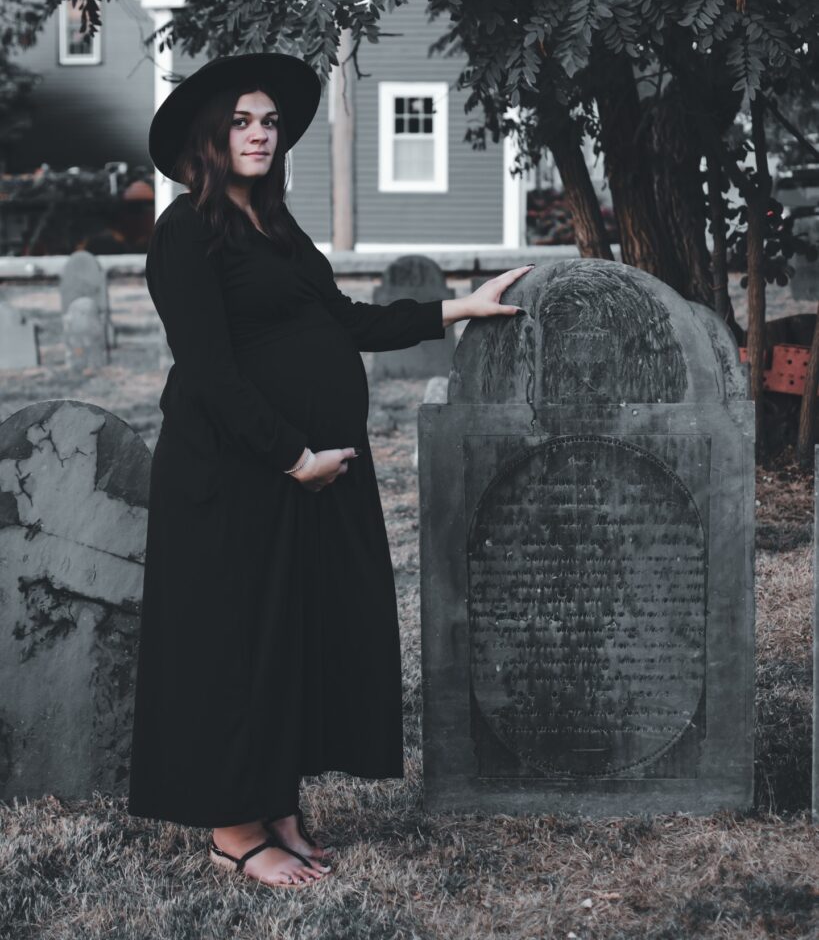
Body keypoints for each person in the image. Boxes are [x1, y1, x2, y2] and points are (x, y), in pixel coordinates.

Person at [126, 52, 534, 889]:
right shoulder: (185, 229)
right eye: (241, 121)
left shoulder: (274, 226)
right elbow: (206, 366)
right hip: (232, 475)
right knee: (234, 642)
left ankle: (276, 805)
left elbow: (340, 319)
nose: (260, 134)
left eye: (270, 122)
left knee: (288, 637)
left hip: (296, 474)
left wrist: (459, 307)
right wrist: (291, 456)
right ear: (209, 134)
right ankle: (234, 830)